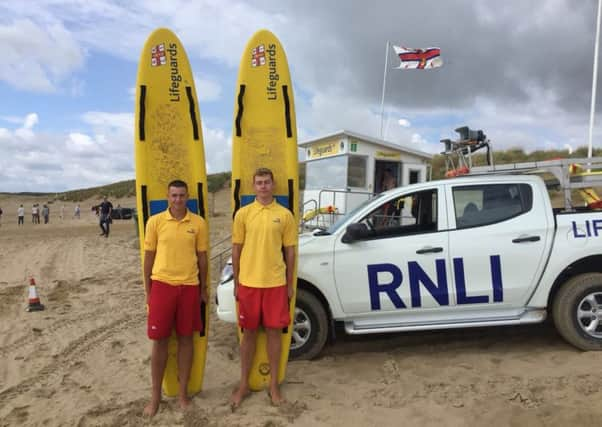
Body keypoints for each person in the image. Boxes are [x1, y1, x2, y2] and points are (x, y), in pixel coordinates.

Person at [230, 167, 297, 408]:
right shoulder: (243, 214)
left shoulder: (285, 215)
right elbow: (236, 250)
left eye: (267, 182)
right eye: (259, 182)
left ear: (273, 184)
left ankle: (273, 386)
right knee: (248, 334)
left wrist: (290, 283)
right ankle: (244, 385)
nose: (263, 186)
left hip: (275, 284)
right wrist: (236, 283)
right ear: (253, 185)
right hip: (248, 283)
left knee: (273, 334)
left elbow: (290, 251)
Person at [143, 180, 208, 417]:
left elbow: (202, 258)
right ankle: (155, 397)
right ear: (168, 196)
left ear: (188, 196)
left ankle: (182, 394)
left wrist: (202, 289)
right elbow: (148, 258)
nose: (178, 199)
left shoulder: (198, 223)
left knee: (185, 339)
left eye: (182, 195)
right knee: (159, 341)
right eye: (174, 195)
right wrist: (149, 290)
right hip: (162, 285)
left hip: (189, 286)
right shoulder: (156, 222)